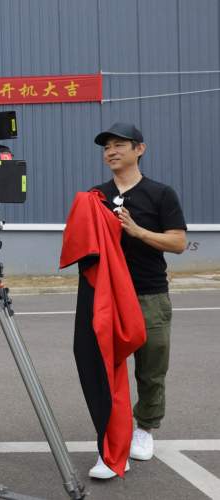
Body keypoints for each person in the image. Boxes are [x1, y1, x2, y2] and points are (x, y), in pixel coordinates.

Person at [87, 122, 186, 479]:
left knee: (151, 367)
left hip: (149, 295)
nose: (111, 152)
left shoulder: (160, 194)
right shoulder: (95, 196)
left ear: (139, 149)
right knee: (106, 372)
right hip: (108, 298)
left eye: (119, 145)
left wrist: (137, 231)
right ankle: (112, 442)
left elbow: (178, 242)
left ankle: (145, 427)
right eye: (106, 147)